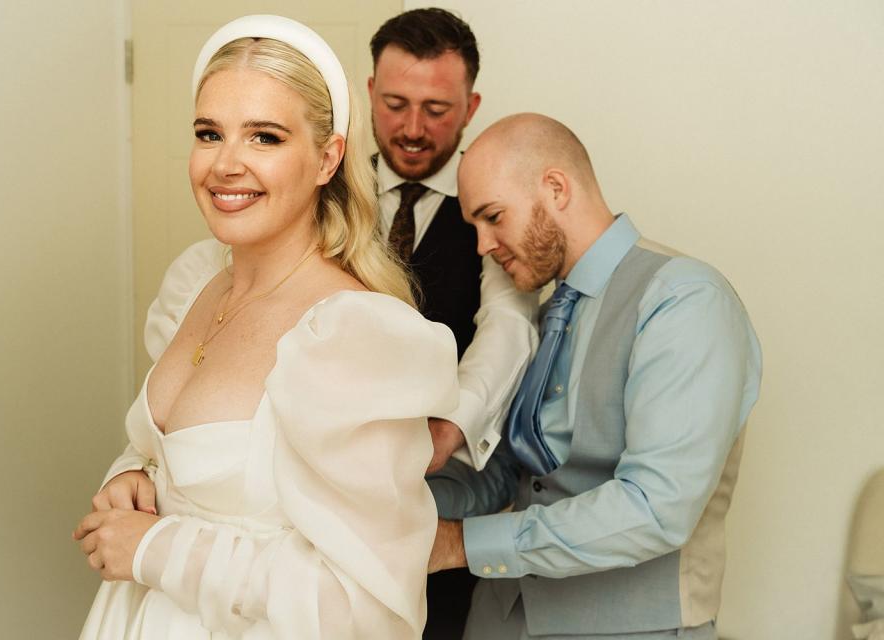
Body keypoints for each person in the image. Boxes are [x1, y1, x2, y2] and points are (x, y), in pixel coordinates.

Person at [73, 15, 459, 639]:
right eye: (209, 133)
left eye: (265, 138)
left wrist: (156, 550)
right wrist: (131, 478)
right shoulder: (202, 285)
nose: (226, 164)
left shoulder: (352, 333)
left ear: (328, 157)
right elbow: (187, 451)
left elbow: (364, 607)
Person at [427, 113, 763, 639]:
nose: (482, 246)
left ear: (556, 188)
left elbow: (656, 507)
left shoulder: (684, 301)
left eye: (493, 217)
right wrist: (393, 501)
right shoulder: (544, 311)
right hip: (498, 618)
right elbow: (515, 474)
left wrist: (460, 544)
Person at [367, 10, 538, 637]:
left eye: (437, 110)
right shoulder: (327, 192)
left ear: (471, 106)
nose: (413, 129)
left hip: (443, 501)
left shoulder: (488, 203)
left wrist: (450, 427)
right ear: (369, 95)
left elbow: (511, 323)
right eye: (395, 104)